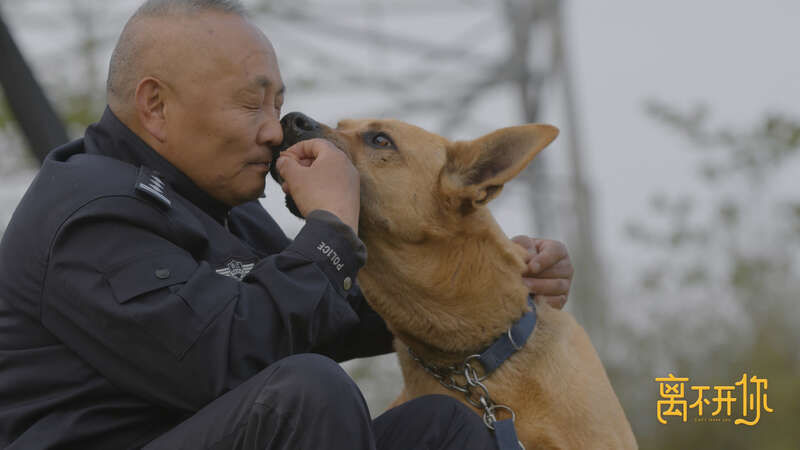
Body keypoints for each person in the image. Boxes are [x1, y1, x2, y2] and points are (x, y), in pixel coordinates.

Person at [0, 0, 575, 449]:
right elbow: (223, 361)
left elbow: (332, 316)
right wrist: (327, 228)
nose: (275, 131)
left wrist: (490, 281)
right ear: (155, 105)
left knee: (437, 429)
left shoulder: (224, 207)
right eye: (252, 105)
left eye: (277, 106)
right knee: (304, 395)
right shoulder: (88, 212)